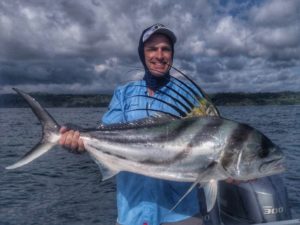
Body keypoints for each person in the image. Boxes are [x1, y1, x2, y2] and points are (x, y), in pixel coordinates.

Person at [60, 24, 204, 225]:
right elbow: (106, 138)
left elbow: (210, 141)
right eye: (152, 49)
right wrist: (80, 143)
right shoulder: (123, 94)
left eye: (166, 49)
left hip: (181, 212)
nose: (159, 55)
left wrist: (232, 166)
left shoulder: (189, 97)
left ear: (172, 54)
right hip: (133, 213)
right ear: (142, 54)